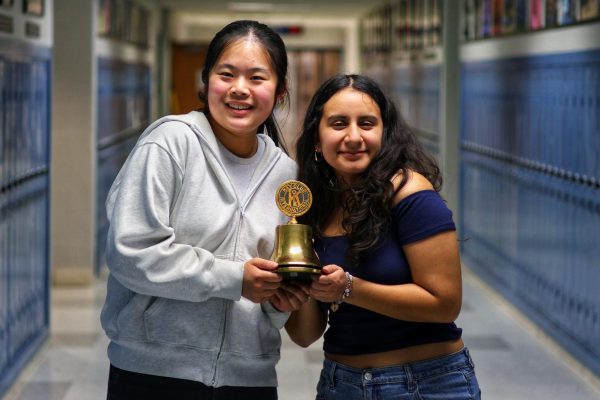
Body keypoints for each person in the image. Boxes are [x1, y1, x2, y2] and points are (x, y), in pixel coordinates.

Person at [101, 20, 308, 400]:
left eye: (257, 78)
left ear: (280, 91)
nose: (239, 89)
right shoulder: (169, 144)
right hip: (153, 374)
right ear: (206, 80)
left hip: (249, 379)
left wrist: (280, 302)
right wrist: (234, 279)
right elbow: (132, 253)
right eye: (226, 74)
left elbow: (274, 279)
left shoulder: (286, 175)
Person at [285, 74, 481, 399]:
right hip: (340, 383)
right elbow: (306, 335)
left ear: (384, 134)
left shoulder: (409, 193)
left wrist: (349, 288)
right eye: (338, 124)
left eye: (366, 123)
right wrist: (297, 285)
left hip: (424, 384)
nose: (353, 136)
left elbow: (445, 304)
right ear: (317, 140)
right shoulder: (313, 208)